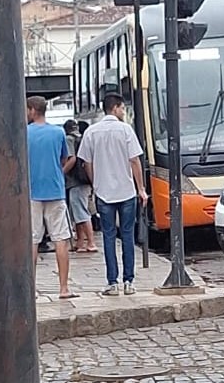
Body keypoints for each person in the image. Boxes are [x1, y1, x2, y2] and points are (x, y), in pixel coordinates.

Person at [77, 93, 148, 296]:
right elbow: (134, 160)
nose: (123, 112)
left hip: (104, 192)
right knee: (127, 235)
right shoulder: (125, 130)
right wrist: (141, 188)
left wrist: (95, 182)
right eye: (122, 108)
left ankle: (112, 282)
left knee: (108, 236)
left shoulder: (92, 132)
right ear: (115, 108)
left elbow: (86, 162)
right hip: (126, 191)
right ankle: (129, 281)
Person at [26, 96, 77, 299]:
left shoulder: (24, 133)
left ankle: (31, 289)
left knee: (33, 240)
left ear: (31, 110)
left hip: (31, 191)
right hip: (55, 190)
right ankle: (63, 288)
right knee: (60, 239)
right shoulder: (58, 132)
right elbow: (64, 158)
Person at [63, 120, 97, 253]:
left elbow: (72, 159)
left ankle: (91, 242)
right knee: (77, 212)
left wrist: (61, 173)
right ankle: (80, 243)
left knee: (81, 212)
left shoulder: (69, 139)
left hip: (75, 182)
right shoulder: (82, 138)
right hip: (84, 180)